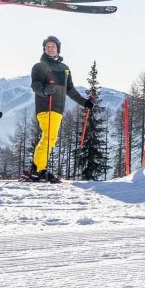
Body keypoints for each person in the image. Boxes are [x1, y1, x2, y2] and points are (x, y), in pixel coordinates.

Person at [27, 34, 93, 182]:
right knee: (49, 137)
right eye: (48, 46)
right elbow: (35, 85)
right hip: (45, 107)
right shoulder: (39, 66)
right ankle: (38, 169)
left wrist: (84, 103)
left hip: (57, 109)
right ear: (44, 48)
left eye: (53, 46)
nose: (50, 49)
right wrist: (44, 90)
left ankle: (37, 168)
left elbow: (70, 90)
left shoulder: (65, 69)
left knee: (50, 138)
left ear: (58, 49)